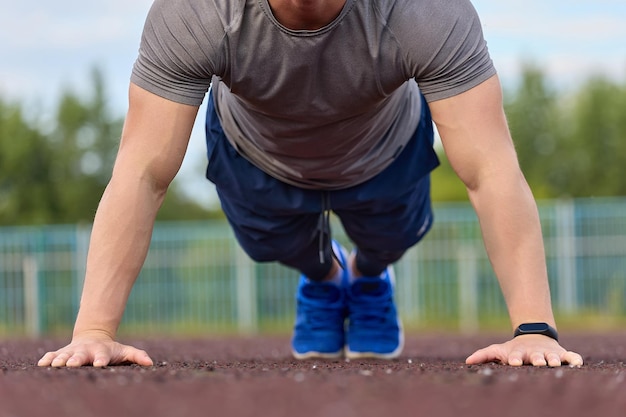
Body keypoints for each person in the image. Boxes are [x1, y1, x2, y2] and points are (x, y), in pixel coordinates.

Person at [38, 0, 583, 368]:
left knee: (391, 240)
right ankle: (326, 275)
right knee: (272, 245)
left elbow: (491, 168)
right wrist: (94, 331)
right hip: (256, 156)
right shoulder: (198, 11)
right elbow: (142, 170)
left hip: (384, 153)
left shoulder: (424, 11)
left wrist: (534, 328)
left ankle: (369, 275)